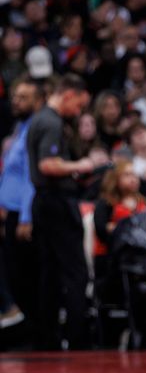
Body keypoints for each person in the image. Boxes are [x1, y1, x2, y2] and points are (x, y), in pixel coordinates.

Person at [26, 74, 94, 349]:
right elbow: (48, 165)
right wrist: (82, 165)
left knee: (50, 272)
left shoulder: (40, 119)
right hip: (56, 202)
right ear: (68, 95)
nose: (78, 112)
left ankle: (47, 338)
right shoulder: (51, 122)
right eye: (78, 105)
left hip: (44, 202)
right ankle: (78, 340)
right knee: (75, 271)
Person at [0, 79, 43, 328]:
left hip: (22, 214)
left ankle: (25, 326)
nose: (16, 101)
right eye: (15, 96)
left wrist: (26, 217)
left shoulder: (32, 131)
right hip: (10, 212)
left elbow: (30, 177)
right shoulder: (20, 128)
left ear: (38, 101)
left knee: (23, 275)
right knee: (13, 273)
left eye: (23, 97)